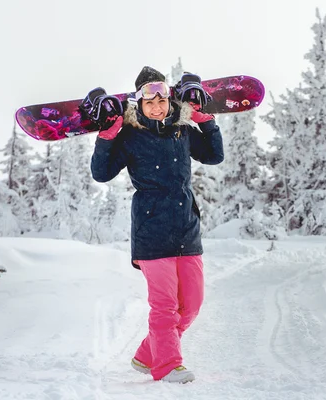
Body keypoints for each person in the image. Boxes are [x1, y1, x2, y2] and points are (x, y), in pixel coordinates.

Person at [90, 66, 224, 383]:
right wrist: (108, 135)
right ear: (139, 104)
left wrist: (204, 119)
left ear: (168, 99)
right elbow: (101, 173)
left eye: (161, 100)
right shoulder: (130, 137)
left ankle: (147, 355)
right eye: (148, 102)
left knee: (190, 304)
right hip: (151, 230)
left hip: (186, 227)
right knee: (164, 305)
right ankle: (166, 365)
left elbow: (214, 155)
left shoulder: (182, 131)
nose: (156, 106)